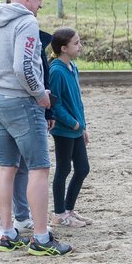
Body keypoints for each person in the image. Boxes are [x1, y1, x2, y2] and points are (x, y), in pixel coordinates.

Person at [0, 0, 71, 256]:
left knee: (6, 167)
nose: (41, 6)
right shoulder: (27, 22)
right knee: (39, 168)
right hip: (22, 102)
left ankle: (7, 233)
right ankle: (41, 238)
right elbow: (24, 66)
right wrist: (40, 94)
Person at [48, 27, 91, 229]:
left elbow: (77, 101)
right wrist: (73, 123)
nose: (80, 45)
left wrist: (82, 126)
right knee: (64, 169)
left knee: (82, 168)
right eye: (76, 43)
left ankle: (69, 209)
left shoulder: (73, 67)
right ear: (63, 48)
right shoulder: (56, 70)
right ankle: (58, 214)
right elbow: (55, 104)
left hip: (76, 128)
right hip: (64, 130)